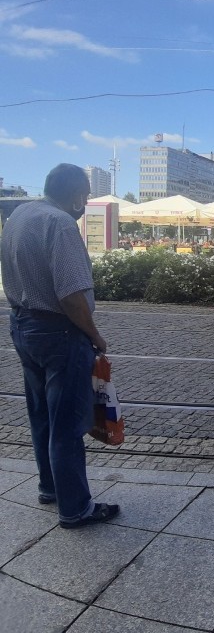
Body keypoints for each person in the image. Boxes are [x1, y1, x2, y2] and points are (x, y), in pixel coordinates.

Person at [1, 163, 120, 529]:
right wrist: (96, 336)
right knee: (67, 424)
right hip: (60, 333)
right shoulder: (61, 224)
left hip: (23, 325)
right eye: (84, 195)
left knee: (41, 415)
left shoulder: (20, 214)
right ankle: (76, 508)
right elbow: (70, 296)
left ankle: (50, 487)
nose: (85, 202)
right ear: (75, 195)